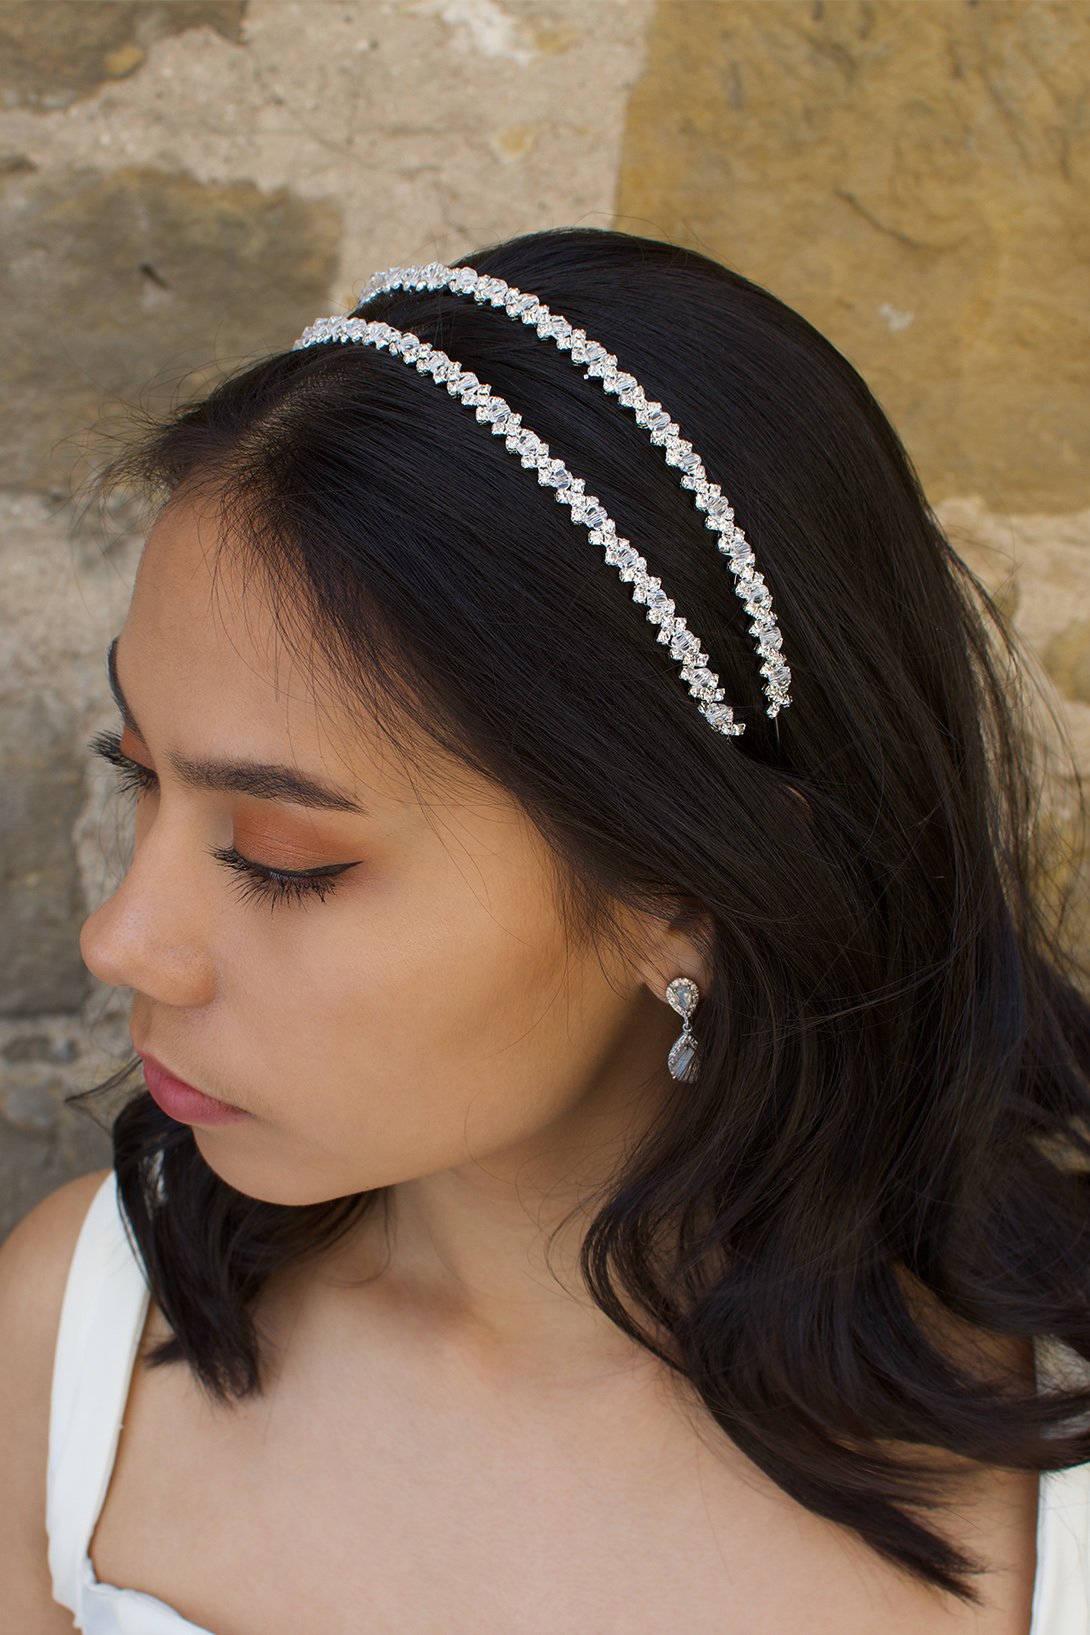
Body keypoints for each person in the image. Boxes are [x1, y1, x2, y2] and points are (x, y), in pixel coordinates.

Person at [2, 225, 1089, 1634]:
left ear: (689, 891)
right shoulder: (63, 1345)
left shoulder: (1047, 1488)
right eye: (139, 775)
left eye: (281, 860)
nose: (123, 939)